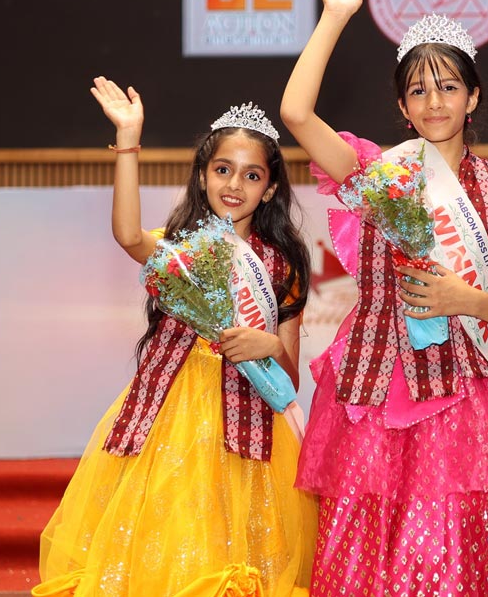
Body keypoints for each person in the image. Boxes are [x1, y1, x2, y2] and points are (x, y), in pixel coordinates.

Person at [280, 0, 488, 596]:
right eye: (418, 91)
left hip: (476, 394)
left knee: (463, 550)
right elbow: (296, 112)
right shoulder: (378, 174)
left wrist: (470, 299)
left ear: (474, 96)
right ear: (403, 107)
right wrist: (333, 19)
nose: (435, 102)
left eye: (449, 86)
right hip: (379, 388)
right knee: (375, 552)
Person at [32, 77, 316, 597]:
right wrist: (128, 141)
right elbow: (128, 236)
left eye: (252, 175)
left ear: (270, 188)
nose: (234, 184)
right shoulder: (181, 248)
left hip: (247, 424)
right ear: (203, 176)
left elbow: (290, 377)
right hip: (169, 413)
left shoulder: (283, 266)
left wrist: (272, 346)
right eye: (222, 169)